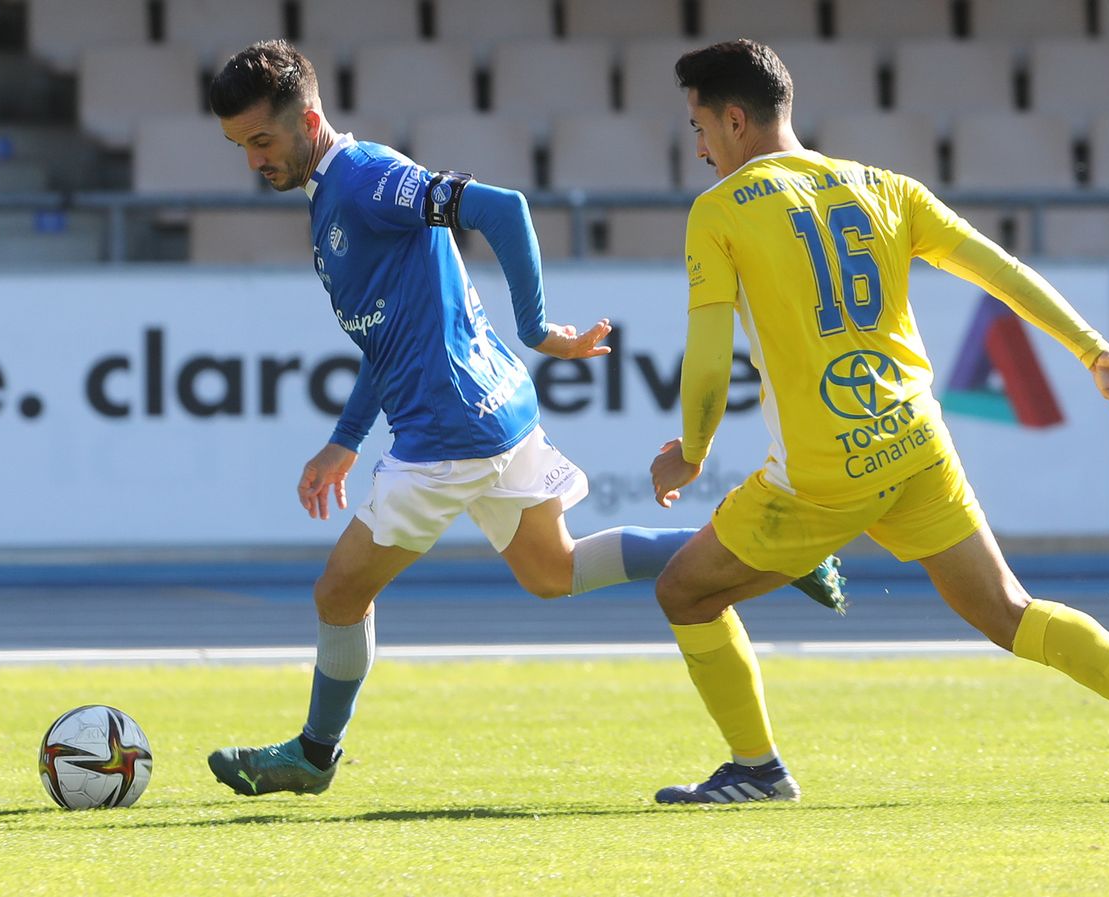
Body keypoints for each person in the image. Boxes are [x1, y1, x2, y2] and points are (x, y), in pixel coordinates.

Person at [198, 41, 846, 797]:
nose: (252, 162)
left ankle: (314, 753)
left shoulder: (366, 178)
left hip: (449, 433)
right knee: (553, 570)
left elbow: (503, 208)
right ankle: (772, 549)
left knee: (339, 593)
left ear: (309, 119)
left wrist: (537, 328)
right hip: (489, 412)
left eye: (262, 141)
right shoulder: (333, 194)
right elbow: (390, 332)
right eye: (239, 147)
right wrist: (344, 440)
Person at [646, 39, 1109, 804]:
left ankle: (757, 769)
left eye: (699, 128)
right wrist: (1094, 351)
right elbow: (998, 270)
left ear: (735, 119)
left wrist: (691, 449)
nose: (702, 148)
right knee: (1010, 612)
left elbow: (710, 364)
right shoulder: (884, 186)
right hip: (917, 447)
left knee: (685, 590)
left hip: (824, 472)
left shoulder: (717, 213)